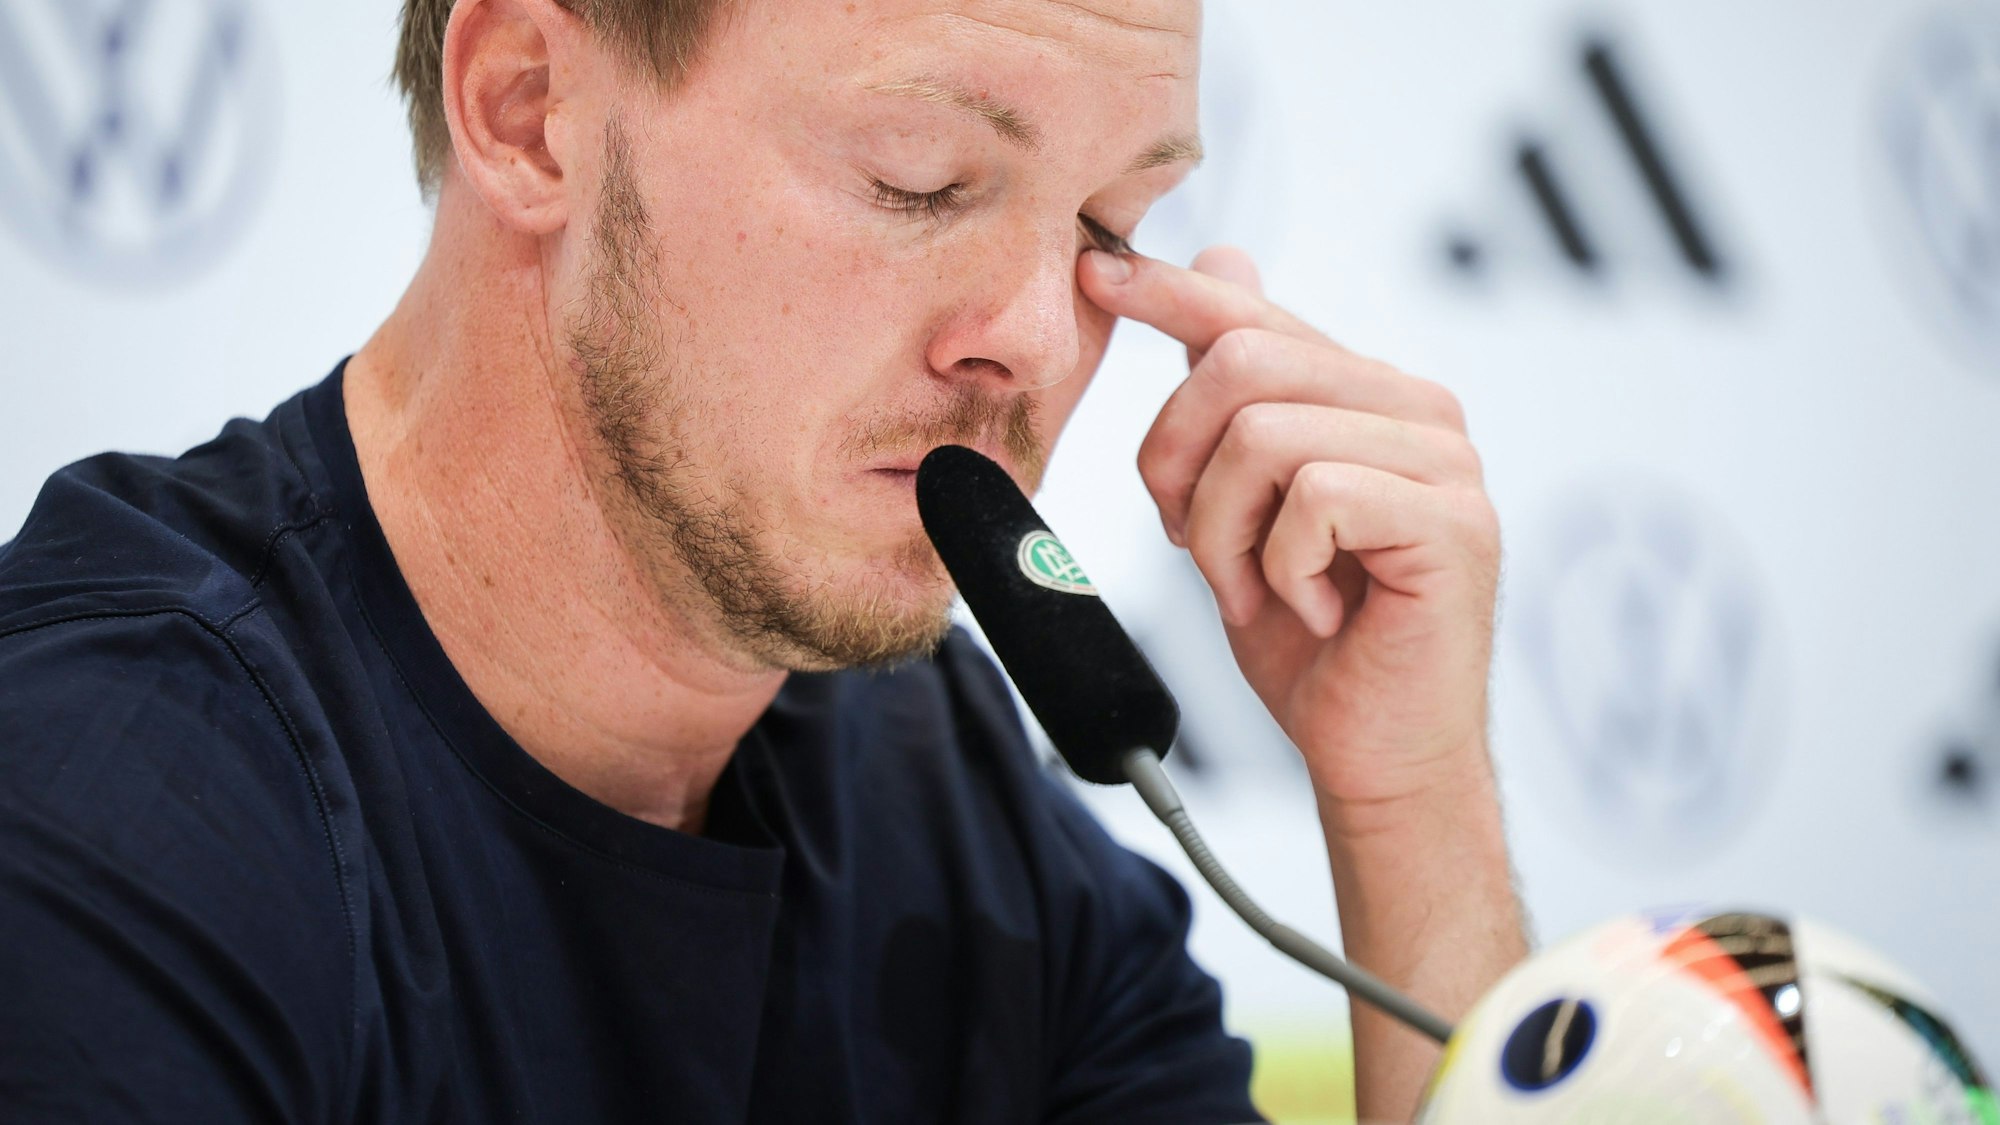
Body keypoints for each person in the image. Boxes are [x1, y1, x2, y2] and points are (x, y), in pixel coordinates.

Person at [0, 0, 1527, 1120]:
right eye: (918, 179)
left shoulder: (945, 791)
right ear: (529, 106)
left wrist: (1412, 794)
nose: (1041, 341)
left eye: (1111, 221)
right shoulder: (107, 797)